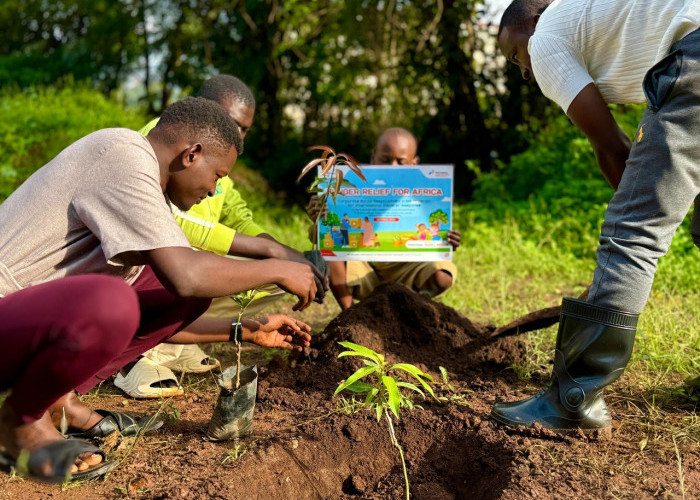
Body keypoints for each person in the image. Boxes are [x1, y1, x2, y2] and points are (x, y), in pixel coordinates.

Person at [0, 96, 316, 481]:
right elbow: (186, 274)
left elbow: (150, 309)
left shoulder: (146, 187)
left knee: (163, 292)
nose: (215, 191)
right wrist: (277, 268)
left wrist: (243, 329)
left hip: (24, 326)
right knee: (119, 297)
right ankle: (20, 421)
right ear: (192, 154)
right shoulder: (123, 156)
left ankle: (57, 400)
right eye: (218, 175)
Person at [491, 0, 700, 431]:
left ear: (531, 20)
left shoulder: (546, 37)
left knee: (631, 231)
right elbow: (622, 149)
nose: (525, 72)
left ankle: (572, 399)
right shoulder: (595, 17)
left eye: (514, 56)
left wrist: (634, 228)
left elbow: (614, 148)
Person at [116, 74, 326, 399]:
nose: (239, 137)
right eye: (233, 125)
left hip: (179, 268)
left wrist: (287, 255)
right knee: (212, 272)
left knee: (270, 274)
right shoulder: (158, 143)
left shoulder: (217, 162)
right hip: (149, 265)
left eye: (245, 130)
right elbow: (173, 223)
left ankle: (173, 344)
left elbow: (239, 217)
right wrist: (273, 255)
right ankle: (132, 357)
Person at [308, 127, 462, 310]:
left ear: (415, 163)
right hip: (363, 272)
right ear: (373, 158)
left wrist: (447, 239)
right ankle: (350, 315)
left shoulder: (427, 195)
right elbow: (321, 238)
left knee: (443, 275)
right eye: (386, 159)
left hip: (408, 272)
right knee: (329, 251)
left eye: (401, 162)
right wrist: (320, 219)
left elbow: (434, 236)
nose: (393, 167)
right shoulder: (347, 189)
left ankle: (414, 309)